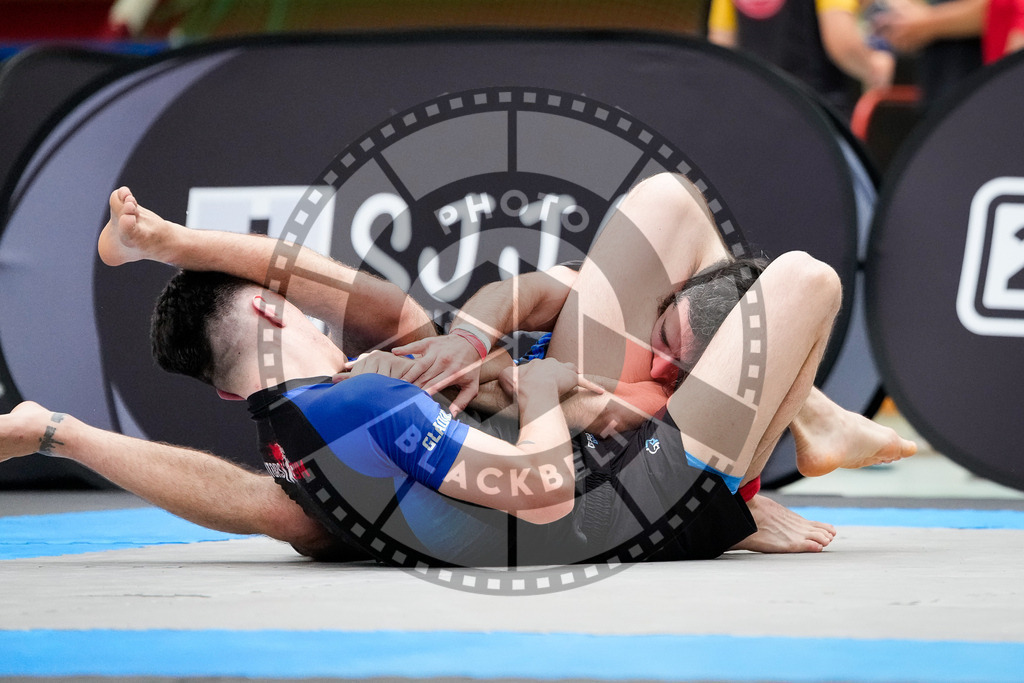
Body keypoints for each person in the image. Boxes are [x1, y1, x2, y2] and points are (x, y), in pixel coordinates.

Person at [0, 176, 914, 562]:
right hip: (645, 491)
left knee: (664, 206)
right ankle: (768, 458)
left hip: (610, 453)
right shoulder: (352, 406)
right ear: (276, 313)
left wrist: (65, 428)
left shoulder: (303, 429)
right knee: (807, 279)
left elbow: (390, 301)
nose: (325, 308)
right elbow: (545, 488)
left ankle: (806, 419)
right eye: (301, 306)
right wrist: (549, 392)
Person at [707, 0, 895, 119]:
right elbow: (841, 40)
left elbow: (721, 48)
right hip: (817, 114)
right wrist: (872, 67)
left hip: (753, 110)